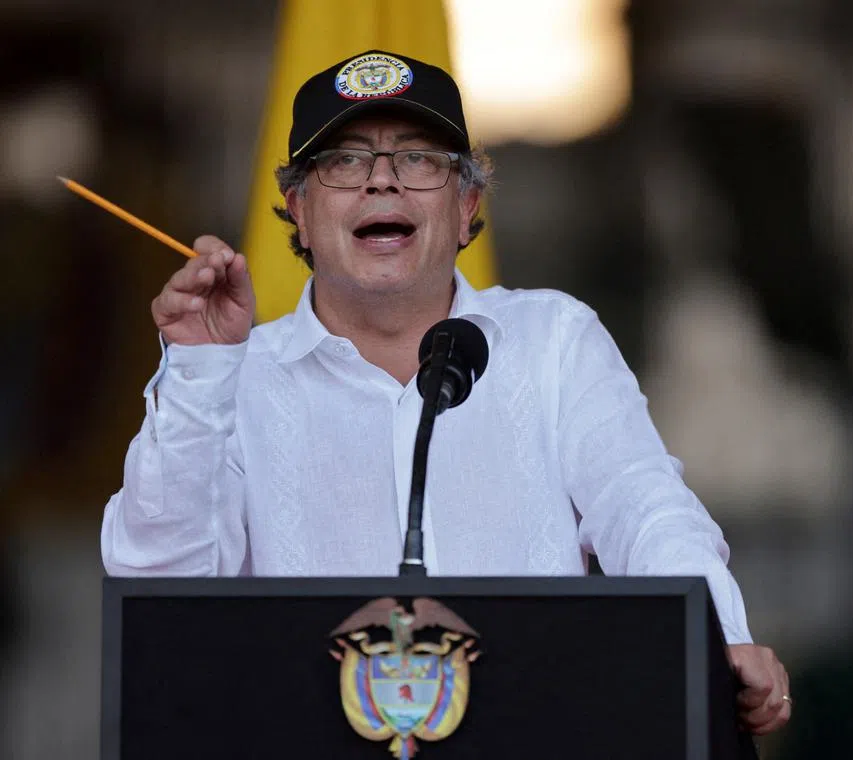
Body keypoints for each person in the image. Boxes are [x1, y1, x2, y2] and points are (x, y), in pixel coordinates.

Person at [100, 49, 791, 735]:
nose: (382, 182)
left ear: (466, 207)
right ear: (298, 211)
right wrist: (199, 370)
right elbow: (158, 591)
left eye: (418, 159)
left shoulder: (553, 340)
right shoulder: (234, 374)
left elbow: (646, 510)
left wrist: (717, 637)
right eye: (345, 161)